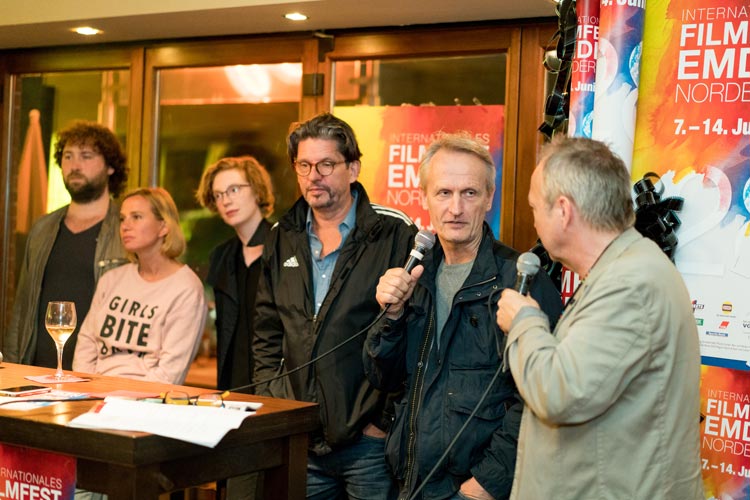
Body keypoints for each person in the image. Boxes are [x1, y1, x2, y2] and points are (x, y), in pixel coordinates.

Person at [495, 136, 703, 499]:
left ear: (563, 211)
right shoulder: (624, 270)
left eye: (534, 208)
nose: (533, 222)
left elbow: (560, 392)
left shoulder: (630, 283)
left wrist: (525, 322)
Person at [364, 133, 562, 500]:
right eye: (443, 193)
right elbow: (383, 377)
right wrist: (391, 317)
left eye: (469, 193)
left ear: (489, 198)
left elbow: (542, 398)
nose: (455, 208)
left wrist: (485, 484)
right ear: (424, 198)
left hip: (480, 490)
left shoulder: (520, 280)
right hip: (412, 483)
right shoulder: (414, 276)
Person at [252, 113, 417, 499]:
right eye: (305, 165)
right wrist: (274, 401)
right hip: (298, 436)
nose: (314, 176)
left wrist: (384, 419)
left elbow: (413, 332)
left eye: (326, 164)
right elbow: (266, 330)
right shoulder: (282, 236)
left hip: (369, 443)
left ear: (353, 168)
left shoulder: (393, 232)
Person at [5, 121, 128, 368]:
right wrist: (11, 368)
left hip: (99, 372)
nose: (75, 165)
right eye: (68, 156)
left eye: (86, 156)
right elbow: (22, 306)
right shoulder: (42, 228)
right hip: (38, 373)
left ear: (111, 167)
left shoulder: (125, 229)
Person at [73, 187, 207, 384]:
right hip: (92, 393)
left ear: (164, 226)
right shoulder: (111, 280)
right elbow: (86, 344)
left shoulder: (186, 288)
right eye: (122, 218)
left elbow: (170, 374)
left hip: (144, 404)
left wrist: (119, 399)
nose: (125, 226)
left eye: (136, 217)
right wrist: (86, 389)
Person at [196, 155, 275, 391]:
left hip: (275, 384)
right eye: (218, 195)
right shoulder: (222, 256)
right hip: (232, 385)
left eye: (233, 190)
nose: (225, 201)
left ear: (257, 190)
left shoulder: (284, 248)